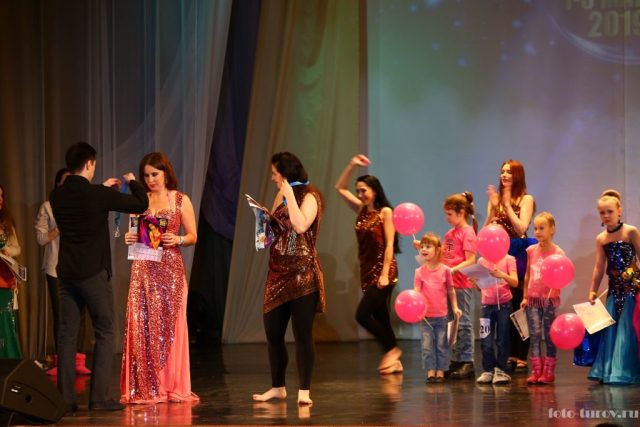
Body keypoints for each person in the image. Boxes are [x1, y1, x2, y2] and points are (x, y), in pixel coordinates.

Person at [50, 142, 149, 412]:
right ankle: (99, 398)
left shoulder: (56, 196)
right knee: (105, 331)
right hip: (93, 273)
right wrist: (132, 181)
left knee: (67, 335)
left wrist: (102, 190)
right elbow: (141, 204)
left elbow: (84, 199)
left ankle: (66, 399)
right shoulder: (97, 195)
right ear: (90, 164)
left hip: (67, 273)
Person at [121, 152, 199, 404]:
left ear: (166, 173)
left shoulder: (180, 199)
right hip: (143, 270)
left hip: (170, 271)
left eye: (155, 174)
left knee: (169, 328)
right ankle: (147, 386)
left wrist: (178, 239)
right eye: (146, 176)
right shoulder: (139, 200)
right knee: (143, 326)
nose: (150, 179)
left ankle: (169, 385)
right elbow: (134, 233)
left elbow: (193, 235)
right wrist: (129, 237)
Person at [252, 152, 325, 406]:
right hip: (277, 272)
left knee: (302, 334)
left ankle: (304, 390)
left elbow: (300, 225)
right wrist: (261, 220)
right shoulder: (280, 195)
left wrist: (289, 194)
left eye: (275, 173)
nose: (273, 178)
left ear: (285, 174)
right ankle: (278, 387)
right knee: (273, 333)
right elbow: (271, 232)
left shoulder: (311, 196)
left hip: (302, 274)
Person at [335, 154, 403, 375]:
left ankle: (391, 350)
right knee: (382, 318)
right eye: (358, 191)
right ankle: (395, 361)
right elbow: (339, 187)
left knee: (362, 315)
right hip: (366, 270)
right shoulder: (361, 209)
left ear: (375, 190)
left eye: (364, 190)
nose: (360, 194)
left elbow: (390, 244)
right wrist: (352, 164)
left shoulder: (385, 212)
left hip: (384, 270)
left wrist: (384, 274)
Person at [35, 168, 91, 376]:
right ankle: (61, 362)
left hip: (79, 266)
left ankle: (78, 360)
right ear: (58, 184)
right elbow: (41, 239)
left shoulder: (83, 204)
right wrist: (59, 228)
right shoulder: (48, 206)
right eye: (65, 181)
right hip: (56, 268)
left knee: (81, 314)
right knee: (61, 315)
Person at [485, 159, 535, 372]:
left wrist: (506, 206)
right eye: (502, 171)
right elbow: (486, 230)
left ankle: (521, 355)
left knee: (518, 305)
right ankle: (508, 353)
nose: (504, 175)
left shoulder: (526, 199)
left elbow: (522, 228)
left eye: (509, 172)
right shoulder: (495, 200)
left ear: (517, 176)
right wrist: (493, 210)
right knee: (503, 306)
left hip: (518, 252)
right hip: (499, 255)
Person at [586, 189, 640, 384]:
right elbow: (599, 266)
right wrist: (593, 290)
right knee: (610, 330)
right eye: (602, 212)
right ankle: (609, 370)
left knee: (626, 329)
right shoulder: (601, 239)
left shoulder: (630, 232)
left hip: (631, 288)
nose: (606, 216)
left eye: (610, 211)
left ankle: (623, 370)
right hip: (614, 289)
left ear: (619, 211)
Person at [521, 212, 565, 384]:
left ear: (552, 229)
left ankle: (548, 370)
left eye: (542, 228)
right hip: (533, 299)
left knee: (549, 333)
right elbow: (528, 275)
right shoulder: (531, 251)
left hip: (549, 300)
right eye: (535, 228)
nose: (538, 232)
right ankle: (536, 370)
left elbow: (561, 276)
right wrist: (525, 296)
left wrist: (554, 292)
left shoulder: (558, 253)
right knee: (535, 334)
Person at [414, 233, 461, 383]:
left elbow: (451, 290)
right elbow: (416, 291)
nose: (423, 249)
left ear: (438, 250)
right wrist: (416, 307)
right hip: (425, 317)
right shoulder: (419, 272)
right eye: (422, 246)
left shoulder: (445, 270)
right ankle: (430, 371)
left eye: (428, 246)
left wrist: (455, 307)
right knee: (427, 346)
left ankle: (440, 371)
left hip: (441, 316)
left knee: (442, 345)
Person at [442, 192, 478, 379]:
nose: (447, 218)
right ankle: (456, 359)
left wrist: (454, 269)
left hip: (462, 284)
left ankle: (467, 360)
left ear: (461, 212)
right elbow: (446, 256)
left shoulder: (468, 233)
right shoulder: (449, 234)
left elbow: (471, 260)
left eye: (450, 214)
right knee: (452, 322)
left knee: (463, 322)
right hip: (449, 284)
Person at [474, 253, 518, 385]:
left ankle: (501, 369)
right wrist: (475, 282)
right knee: (485, 339)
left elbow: (515, 282)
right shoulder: (481, 260)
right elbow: (480, 287)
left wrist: (503, 275)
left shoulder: (509, 259)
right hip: (486, 305)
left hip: (504, 305)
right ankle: (488, 369)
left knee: (502, 338)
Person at [0, 184, 22, 359]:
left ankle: (9, 360)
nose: (0, 200)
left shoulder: (6, 223)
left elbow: (17, 248)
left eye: (1, 196)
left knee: (6, 321)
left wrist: (7, 250)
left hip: (4, 278)